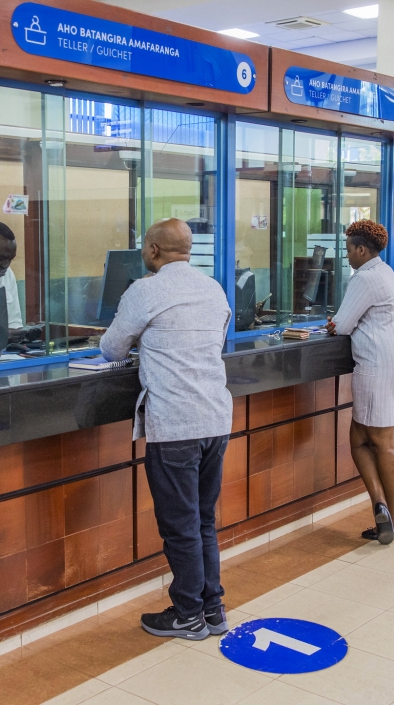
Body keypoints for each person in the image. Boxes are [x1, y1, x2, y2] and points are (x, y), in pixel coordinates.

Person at [100, 218, 233, 641]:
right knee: (203, 520)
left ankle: (188, 614)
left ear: (154, 251)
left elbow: (111, 348)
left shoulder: (144, 290)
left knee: (180, 524)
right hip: (215, 418)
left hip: (175, 423)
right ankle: (213, 610)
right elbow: (215, 342)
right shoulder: (213, 288)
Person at [327, 220, 394, 544]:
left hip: (377, 367)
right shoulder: (385, 270)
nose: (347, 256)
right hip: (393, 362)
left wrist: (335, 324)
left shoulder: (364, 277)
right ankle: (382, 509)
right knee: (360, 440)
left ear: (362, 249)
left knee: (383, 443)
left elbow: (343, 324)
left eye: (349, 249)